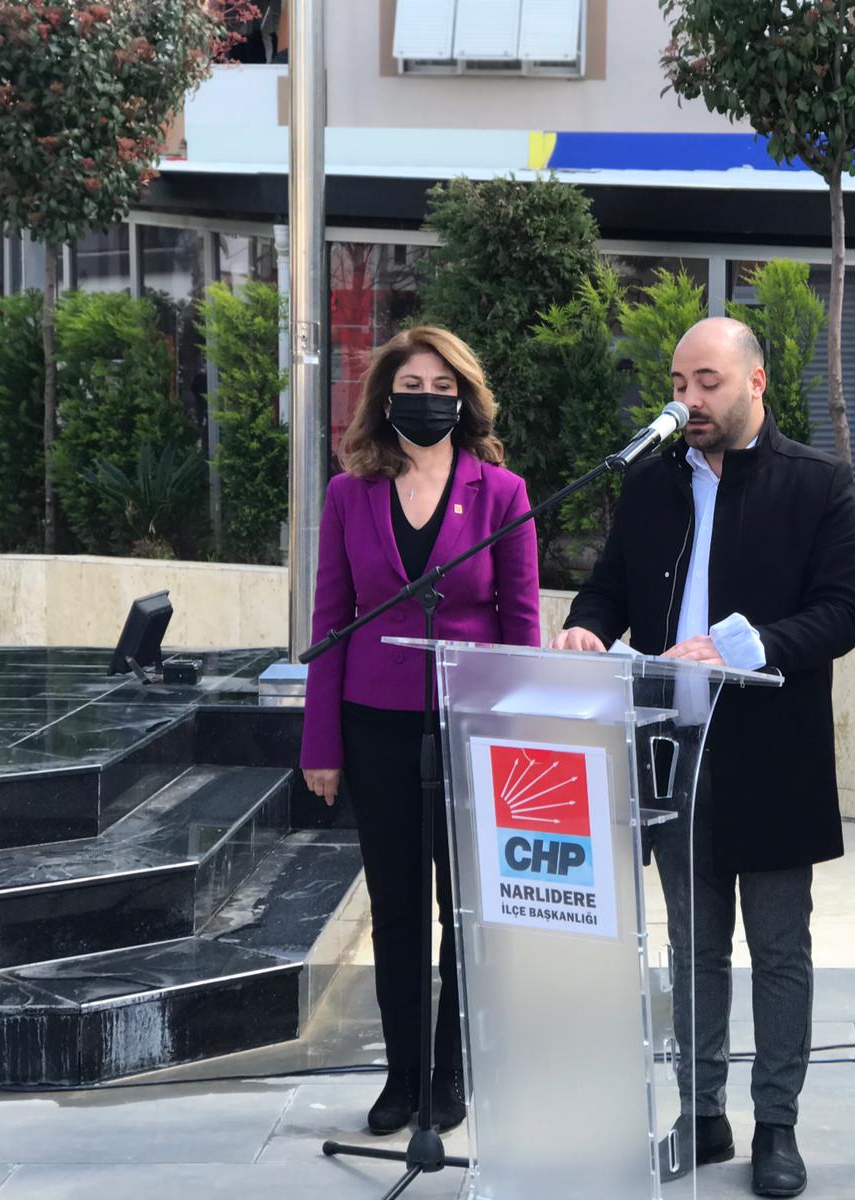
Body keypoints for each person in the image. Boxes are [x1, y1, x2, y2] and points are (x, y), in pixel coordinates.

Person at [555, 317, 855, 1198]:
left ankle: (777, 1125)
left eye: (707, 382)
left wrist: (747, 645)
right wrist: (586, 624)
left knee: (778, 948)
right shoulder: (652, 482)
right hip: (672, 755)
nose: (687, 399)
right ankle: (701, 1114)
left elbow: (843, 612)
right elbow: (610, 583)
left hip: (772, 757)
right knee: (693, 949)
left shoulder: (817, 483)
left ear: (755, 383)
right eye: (678, 382)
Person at [300, 326, 541, 1136]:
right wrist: (321, 745)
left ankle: (452, 1072)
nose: (429, 399)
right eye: (413, 385)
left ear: (464, 398)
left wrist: (515, 742)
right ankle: (403, 1076)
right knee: (397, 908)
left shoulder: (502, 492)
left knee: (465, 910)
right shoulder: (350, 493)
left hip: (470, 726)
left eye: (444, 387)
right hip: (374, 726)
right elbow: (330, 621)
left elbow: (521, 625)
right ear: (386, 396)